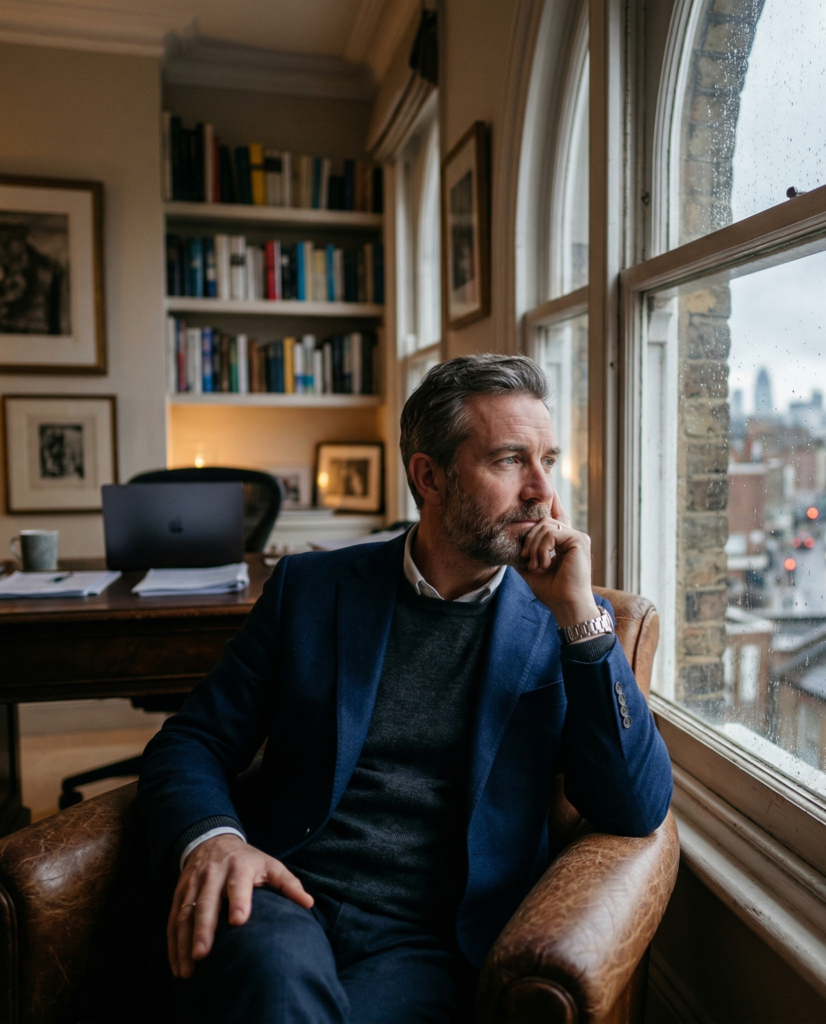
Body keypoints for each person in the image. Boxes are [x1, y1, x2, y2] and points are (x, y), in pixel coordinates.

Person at [138, 354, 673, 1024]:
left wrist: (580, 622)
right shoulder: (312, 590)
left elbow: (635, 808)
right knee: (275, 996)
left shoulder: (565, 621)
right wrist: (214, 838)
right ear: (430, 476)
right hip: (282, 890)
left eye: (548, 460)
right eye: (511, 460)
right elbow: (193, 740)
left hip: (431, 939)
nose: (542, 490)